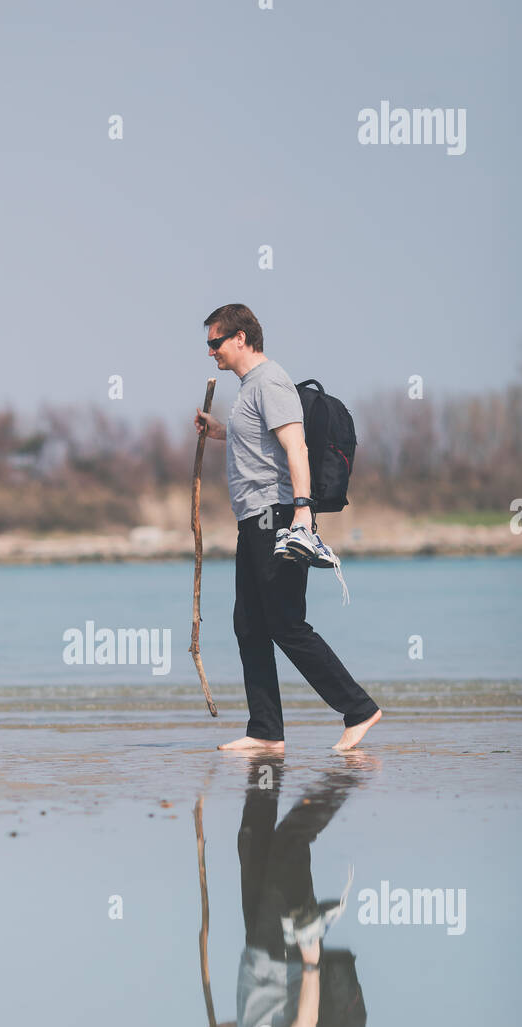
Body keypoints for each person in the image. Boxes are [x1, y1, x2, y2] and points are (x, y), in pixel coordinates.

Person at [194, 302, 381, 753]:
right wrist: (219, 430)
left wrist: (301, 510)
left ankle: (358, 709)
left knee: (286, 623)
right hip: (253, 520)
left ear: (241, 338)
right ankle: (265, 731)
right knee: (249, 624)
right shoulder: (249, 388)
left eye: (215, 342)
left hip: (277, 518)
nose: (210, 352)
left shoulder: (271, 380)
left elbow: (295, 447)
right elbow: (259, 442)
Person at [209, 762, 359, 1027]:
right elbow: (303, 1024)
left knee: (251, 841)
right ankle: (346, 777)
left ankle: (266, 765)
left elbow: (268, 1022)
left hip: (260, 944)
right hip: (286, 950)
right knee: (289, 844)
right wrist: (311, 960)